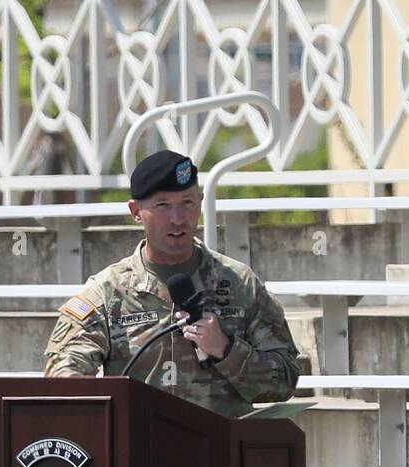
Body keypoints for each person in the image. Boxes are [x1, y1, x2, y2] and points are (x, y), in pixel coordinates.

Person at [43, 149, 300, 418]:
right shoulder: (108, 293)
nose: (177, 218)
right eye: (163, 206)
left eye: (187, 203)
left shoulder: (239, 284)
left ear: (200, 203)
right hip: (139, 451)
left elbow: (284, 381)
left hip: (219, 451)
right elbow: (63, 372)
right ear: (136, 211)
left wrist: (227, 351)